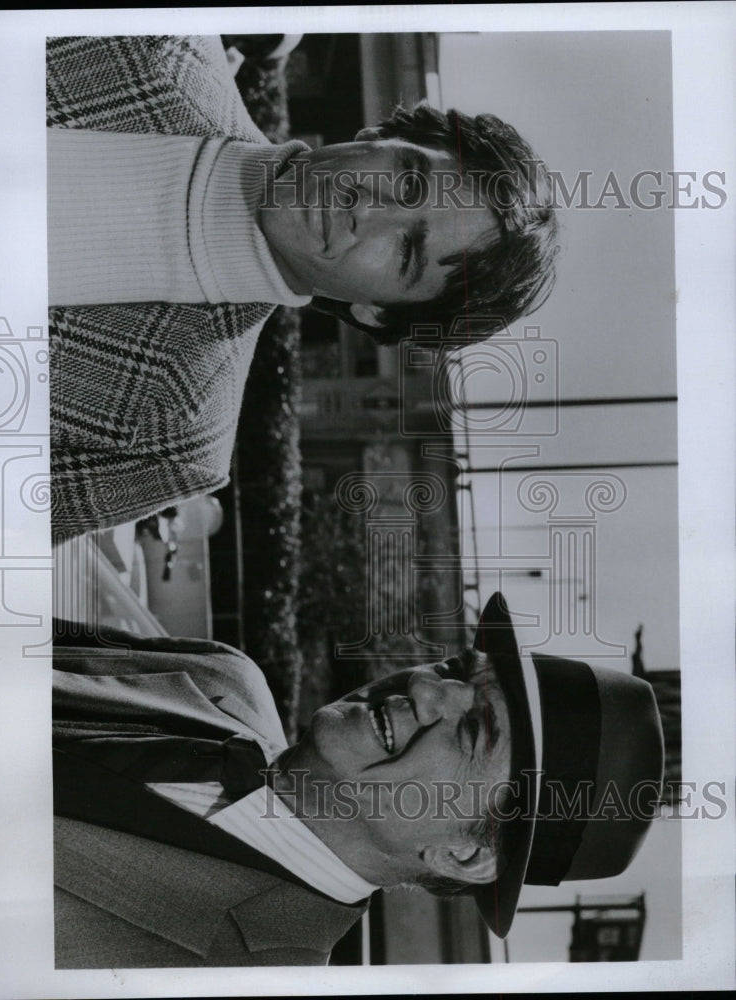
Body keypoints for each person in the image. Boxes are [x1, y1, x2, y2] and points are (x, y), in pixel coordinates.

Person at [46, 35, 558, 538]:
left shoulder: (179, 442)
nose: (367, 208)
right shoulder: (161, 38)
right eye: (408, 182)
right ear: (376, 134)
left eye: (407, 251)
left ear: (375, 312)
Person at [53, 592, 664, 967]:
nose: (424, 686)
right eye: (457, 669)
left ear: (465, 852)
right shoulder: (220, 674)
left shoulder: (236, 978)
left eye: (474, 730)